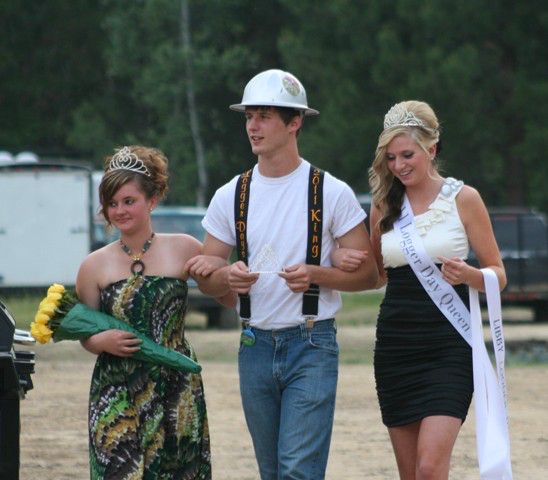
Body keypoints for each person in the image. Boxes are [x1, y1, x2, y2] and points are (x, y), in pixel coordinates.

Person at [186, 69, 379, 479]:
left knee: (296, 472)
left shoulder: (331, 191)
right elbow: (207, 275)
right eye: (248, 116)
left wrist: (318, 274)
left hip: (311, 341)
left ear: (295, 123)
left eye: (264, 116)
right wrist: (226, 278)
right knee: (272, 471)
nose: (252, 126)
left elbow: (370, 275)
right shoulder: (230, 194)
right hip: (253, 344)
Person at [333, 100, 507, 479]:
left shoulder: (464, 199)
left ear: (432, 148)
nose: (399, 165)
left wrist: (470, 275)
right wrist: (339, 260)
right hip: (397, 344)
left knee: (430, 468)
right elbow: (376, 275)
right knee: (411, 473)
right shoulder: (383, 206)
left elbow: (498, 272)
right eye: (391, 157)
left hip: (450, 345)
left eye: (407, 154)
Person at [76, 145, 214, 479]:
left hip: (175, 383)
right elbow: (84, 331)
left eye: (129, 201)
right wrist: (101, 341)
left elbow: (222, 292)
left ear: (151, 201)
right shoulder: (93, 265)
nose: (119, 211)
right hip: (117, 386)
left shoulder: (185, 247)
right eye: (112, 204)